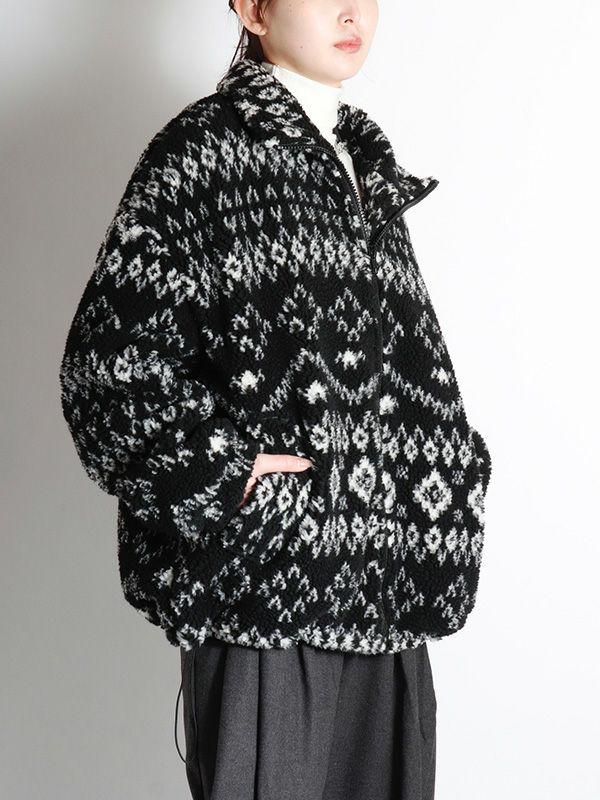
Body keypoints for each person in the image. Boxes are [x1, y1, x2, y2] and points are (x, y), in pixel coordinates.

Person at [59, 1, 493, 798]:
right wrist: (232, 483)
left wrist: (447, 481)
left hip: (388, 599)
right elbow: (108, 369)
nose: (352, 11)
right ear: (254, 8)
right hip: (265, 603)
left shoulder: (362, 165)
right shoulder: (202, 155)